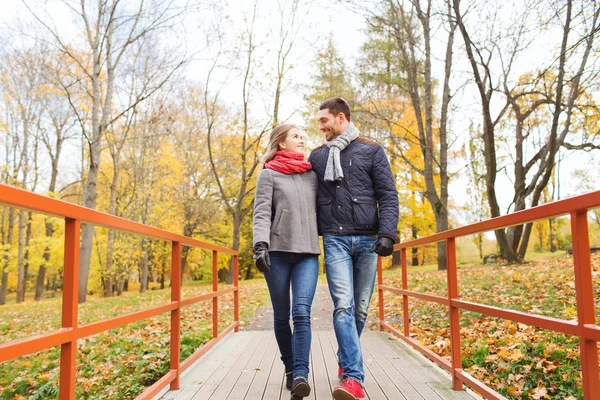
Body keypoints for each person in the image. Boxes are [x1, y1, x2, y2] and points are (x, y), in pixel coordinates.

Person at [308, 98, 399, 400]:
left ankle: (345, 359)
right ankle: (354, 379)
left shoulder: (371, 150)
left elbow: (387, 194)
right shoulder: (318, 156)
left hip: (367, 240)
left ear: (341, 118)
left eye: (324, 121)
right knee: (343, 306)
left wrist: (387, 233)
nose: (320, 127)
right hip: (334, 238)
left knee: (360, 310)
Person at [252, 124, 320, 400]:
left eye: (303, 136)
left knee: (302, 312)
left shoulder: (312, 174)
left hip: (307, 254)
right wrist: (260, 246)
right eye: (296, 136)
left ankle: (301, 374)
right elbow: (261, 213)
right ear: (281, 143)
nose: (302, 139)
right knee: (282, 316)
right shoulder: (268, 175)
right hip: (277, 253)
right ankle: (290, 369)